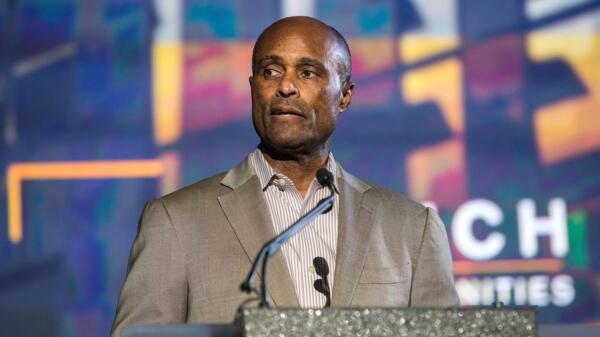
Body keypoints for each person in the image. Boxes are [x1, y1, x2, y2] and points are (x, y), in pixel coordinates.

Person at [110, 16, 459, 337]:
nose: (286, 86)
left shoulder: (413, 228)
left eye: (308, 72)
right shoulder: (175, 221)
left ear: (345, 96)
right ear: (253, 88)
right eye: (271, 71)